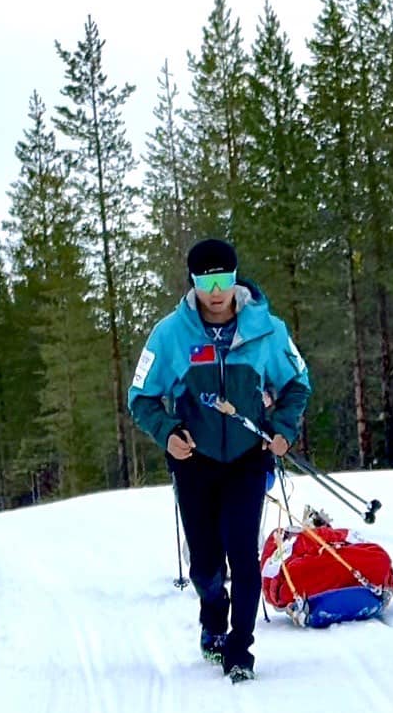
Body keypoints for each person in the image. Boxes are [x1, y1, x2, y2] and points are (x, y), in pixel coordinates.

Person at [127, 238, 311, 681]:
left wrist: (283, 431)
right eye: (206, 280)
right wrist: (167, 433)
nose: (215, 290)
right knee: (207, 564)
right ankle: (213, 618)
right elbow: (141, 397)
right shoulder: (170, 334)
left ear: (234, 278)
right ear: (193, 282)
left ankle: (239, 649)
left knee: (243, 555)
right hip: (194, 460)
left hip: (248, 458)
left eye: (223, 279)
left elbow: (297, 385)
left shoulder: (268, 330)